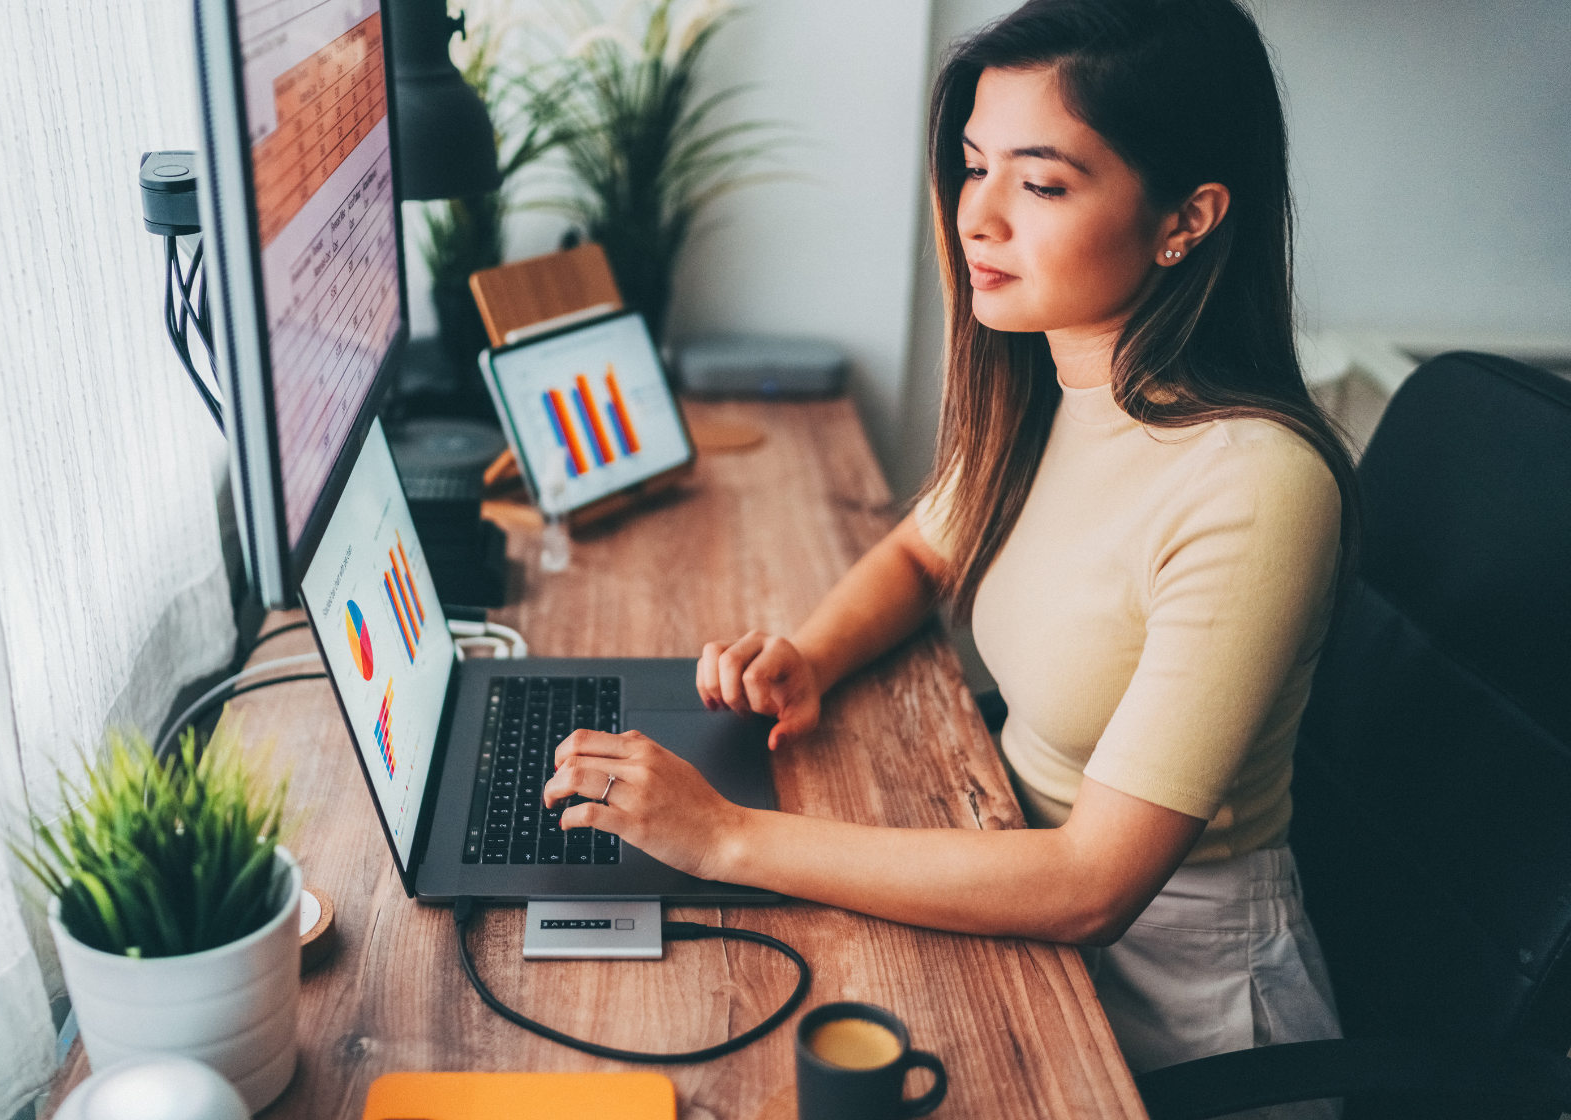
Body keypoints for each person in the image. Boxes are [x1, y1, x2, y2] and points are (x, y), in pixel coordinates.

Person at [544, 0, 1356, 1107]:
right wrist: (812, 654)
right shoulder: (1062, 380)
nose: (978, 216)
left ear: (1188, 218)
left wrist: (730, 839)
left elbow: (1092, 883)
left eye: (1042, 182)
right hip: (1019, 887)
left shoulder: (1252, 484)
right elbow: (925, 553)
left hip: (1177, 1013)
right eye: (974, 166)